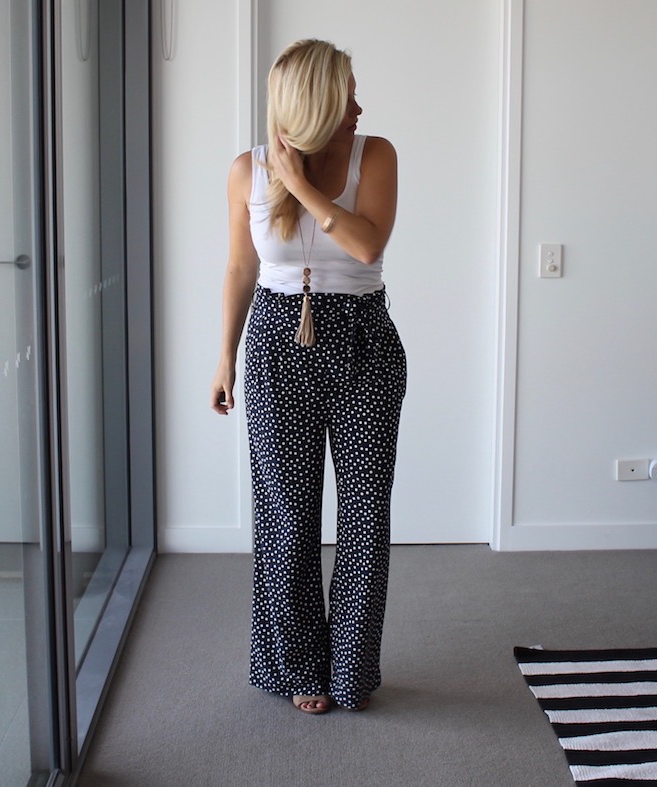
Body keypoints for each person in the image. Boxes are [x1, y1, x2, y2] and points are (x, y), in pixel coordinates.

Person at [210, 39, 406, 714]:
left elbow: (367, 245)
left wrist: (298, 185)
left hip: (363, 343)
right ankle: (300, 666)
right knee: (287, 516)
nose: (359, 108)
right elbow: (240, 267)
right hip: (275, 342)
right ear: (317, 105)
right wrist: (225, 356)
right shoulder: (246, 170)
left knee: (365, 515)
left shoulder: (375, 156)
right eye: (347, 96)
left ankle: (350, 670)